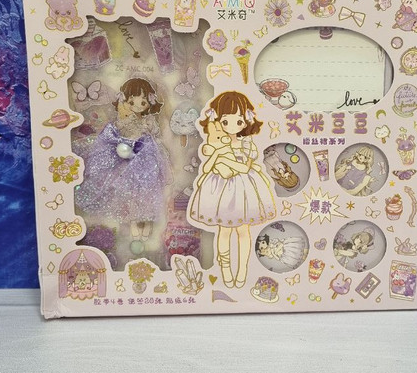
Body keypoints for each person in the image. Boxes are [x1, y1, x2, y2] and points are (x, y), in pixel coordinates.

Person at [189, 91, 276, 288]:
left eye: (239, 121)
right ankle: (226, 271)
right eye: (225, 121)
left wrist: (225, 160)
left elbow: (245, 167)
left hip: (244, 190)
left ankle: (242, 269)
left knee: (243, 231)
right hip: (220, 190)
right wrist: (219, 156)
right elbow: (208, 166)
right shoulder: (214, 143)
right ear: (217, 120)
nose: (232, 126)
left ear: (246, 121)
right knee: (224, 230)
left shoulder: (247, 143)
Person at [75, 77, 171, 245]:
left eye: (143, 102)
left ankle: (148, 224)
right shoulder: (122, 121)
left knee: (148, 192)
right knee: (130, 193)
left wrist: (150, 132)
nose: (137, 106)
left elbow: (154, 134)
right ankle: (134, 224)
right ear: (124, 101)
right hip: (126, 158)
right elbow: (116, 131)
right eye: (131, 102)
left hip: (146, 158)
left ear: (149, 102)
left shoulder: (148, 121)